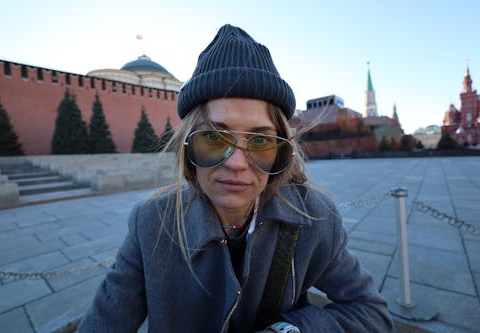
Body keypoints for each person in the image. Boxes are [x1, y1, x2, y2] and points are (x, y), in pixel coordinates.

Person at [77, 24, 393, 333]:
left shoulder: (314, 217)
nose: (237, 163)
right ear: (188, 147)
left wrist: (291, 328)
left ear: (282, 151)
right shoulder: (151, 224)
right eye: (214, 138)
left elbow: (370, 311)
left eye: (260, 141)